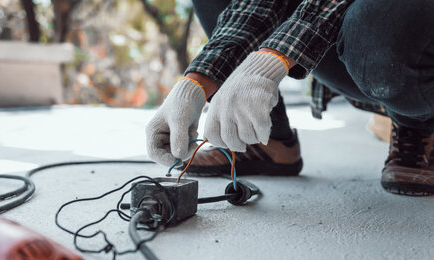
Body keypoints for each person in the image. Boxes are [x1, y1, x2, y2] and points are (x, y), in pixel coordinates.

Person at [145, 0, 434, 196]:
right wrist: (196, 82)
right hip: (344, 36)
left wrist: (270, 59)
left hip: (400, 36)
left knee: (380, 25)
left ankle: (419, 122)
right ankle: (261, 138)